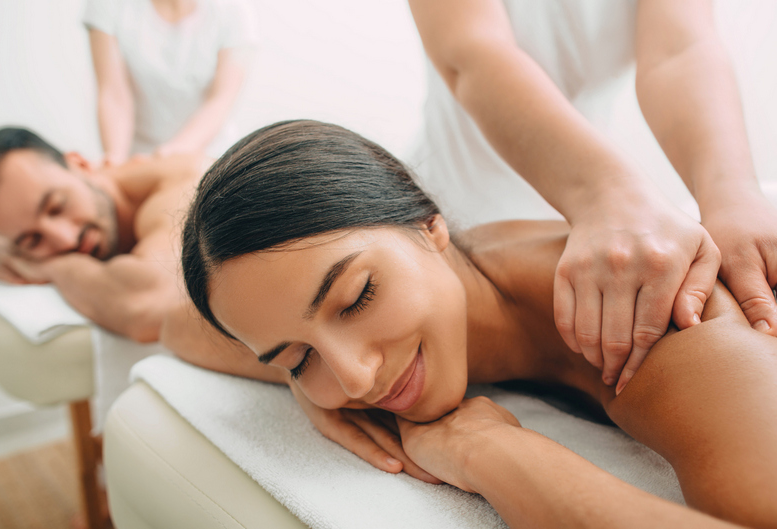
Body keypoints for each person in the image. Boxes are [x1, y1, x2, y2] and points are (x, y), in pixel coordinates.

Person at [177, 120, 777, 528]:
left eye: (357, 298)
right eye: (295, 357)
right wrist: (301, 377)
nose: (357, 380)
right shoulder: (460, 268)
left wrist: (490, 451)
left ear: (429, 226)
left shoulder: (678, 325)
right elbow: (174, 327)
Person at [407, 0, 777, 394]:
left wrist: (731, 193)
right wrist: (604, 193)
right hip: (460, 218)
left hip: (605, 212)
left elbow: (679, 50)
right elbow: (471, 52)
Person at [0, 126, 204, 342]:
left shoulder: (178, 187)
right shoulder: (23, 224)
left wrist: (53, 266)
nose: (66, 239)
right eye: (32, 240)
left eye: (57, 206)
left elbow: (148, 308)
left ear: (81, 165)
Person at [84, 0, 256, 163]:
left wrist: (171, 154)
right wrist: (115, 161)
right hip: (137, 157)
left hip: (208, 156)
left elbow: (221, 100)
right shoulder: (109, 5)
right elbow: (114, 94)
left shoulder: (234, 11)